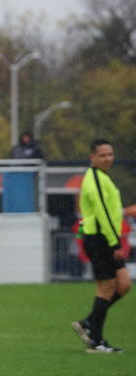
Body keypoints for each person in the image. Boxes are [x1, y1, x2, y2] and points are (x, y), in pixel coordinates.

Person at [71, 139, 134, 353]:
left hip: (107, 238)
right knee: (106, 289)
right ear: (93, 158)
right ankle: (96, 342)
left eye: (110, 154)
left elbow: (112, 211)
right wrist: (115, 242)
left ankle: (89, 322)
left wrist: (124, 215)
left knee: (123, 285)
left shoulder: (103, 177)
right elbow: (103, 214)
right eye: (102, 155)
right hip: (100, 239)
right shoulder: (95, 179)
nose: (107, 158)